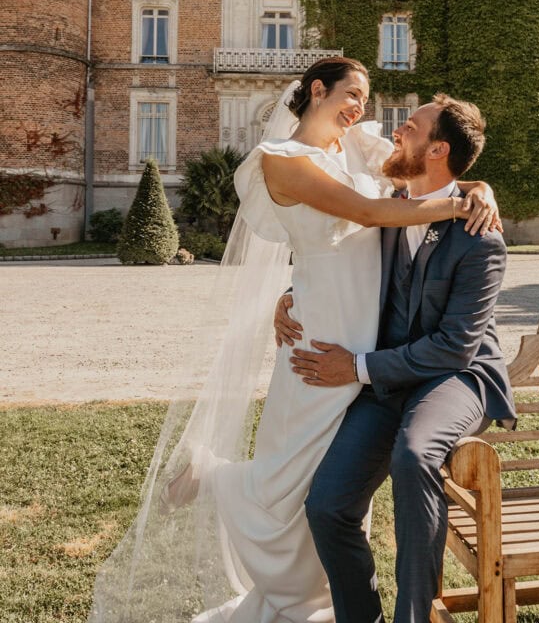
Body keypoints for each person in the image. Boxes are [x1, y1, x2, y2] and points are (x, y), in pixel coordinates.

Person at [88, 56, 499, 623]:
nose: (363, 107)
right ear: (316, 89)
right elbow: (364, 212)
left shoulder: (359, 149)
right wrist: (459, 204)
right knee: (295, 479)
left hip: (366, 346)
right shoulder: (278, 160)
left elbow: (427, 168)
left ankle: (350, 603)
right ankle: (217, 480)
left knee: (322, 482)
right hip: (324, 334)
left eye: (367, 96)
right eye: (352, 93)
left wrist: (480, 189)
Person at [274, 93, 516, 623]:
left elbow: (456, 345)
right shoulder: (382, 210)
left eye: (407, 126)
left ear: (438, 150)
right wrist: (290, 296)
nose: (395, 132)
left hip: (458, 377)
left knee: (414, 454)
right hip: (388, 378)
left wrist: (357, 368)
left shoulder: (480, 238)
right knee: (329, 505)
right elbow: (334, 265)